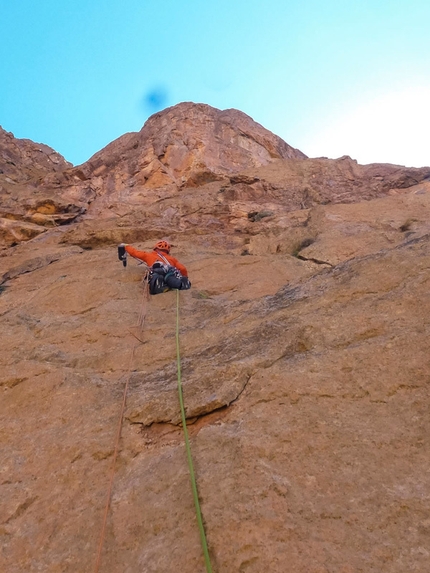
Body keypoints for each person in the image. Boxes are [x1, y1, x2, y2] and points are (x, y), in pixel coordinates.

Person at [118, 240, 191, 295]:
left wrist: (126, 246)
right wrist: (184, 277)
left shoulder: (148, 255)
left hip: (157, 271)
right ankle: (176, 284)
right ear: (168, 250)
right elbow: (182, 269)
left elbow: (135, 253)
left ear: (155, 248)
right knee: (172, 277)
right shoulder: (172, 259)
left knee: (156, 276)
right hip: (169, 272)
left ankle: (159, 285)